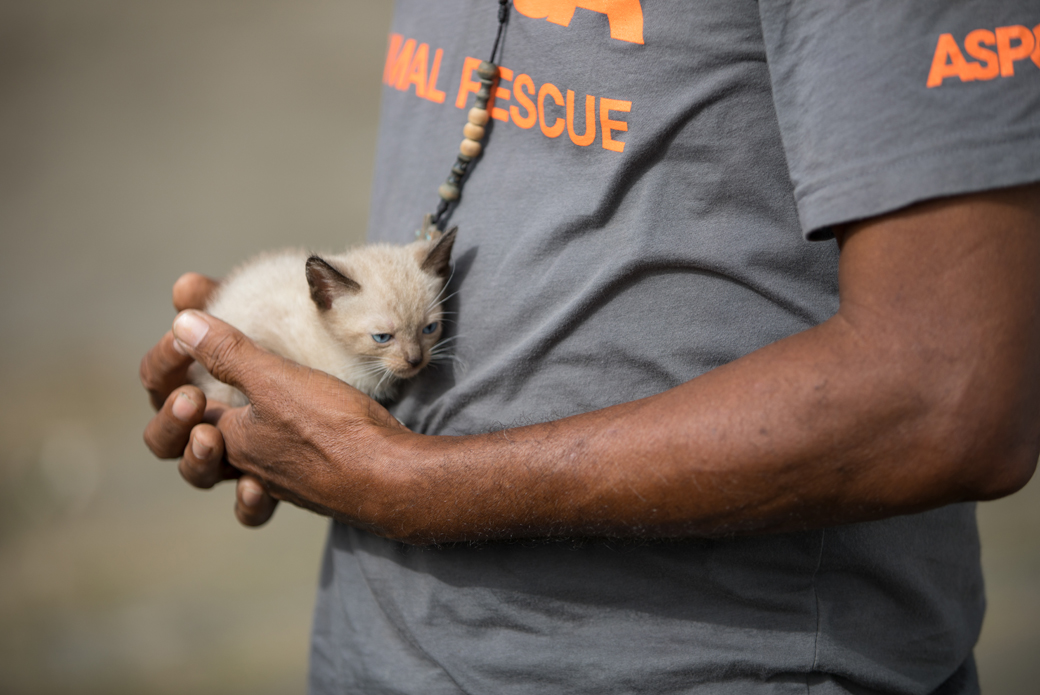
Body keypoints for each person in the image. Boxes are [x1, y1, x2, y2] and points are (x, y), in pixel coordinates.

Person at [142, 1, 1040, 693]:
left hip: (718, 666)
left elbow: (951, 394)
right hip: (377, 647)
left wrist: (414, 486)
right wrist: (278, 381)